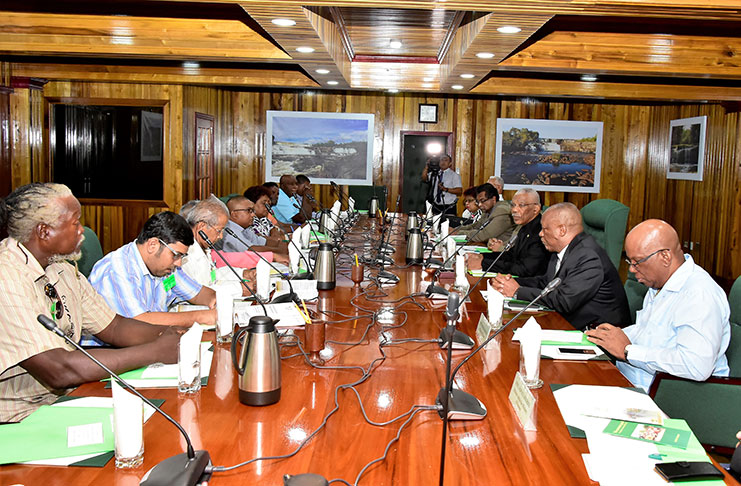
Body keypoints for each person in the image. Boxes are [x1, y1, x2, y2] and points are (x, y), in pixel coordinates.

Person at [0, 183, 181, 422]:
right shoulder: (7, 277)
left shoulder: (61, 268)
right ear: (44, 231)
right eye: (75, 223)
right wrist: (156, 351)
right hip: (16, 417)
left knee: (154, 418)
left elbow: (114, 327)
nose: (82, 232)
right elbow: (59, 369)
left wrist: (172, 334)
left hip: (61, 400)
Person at [585, 219, 730, 390]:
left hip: (666, 396)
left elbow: (696, 365)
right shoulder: (660, 284)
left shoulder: (699, 294)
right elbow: (651, 332)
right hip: (629, 379)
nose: (631, 269)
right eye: (629, 262)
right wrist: (609, 336)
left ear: (665, 256)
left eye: (637, 261)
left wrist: (627, 350)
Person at [493, 202, 630, 330]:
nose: (540, 233)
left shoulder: (588, 256)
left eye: (545, 229)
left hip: (595, 336)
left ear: (561, 230)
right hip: (568, 322)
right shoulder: (561, 250)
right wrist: (511, 282)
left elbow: (564, 301)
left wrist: (517, 291)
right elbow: (546, 283)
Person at [89, 211, 217, 326]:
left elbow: (197, 293)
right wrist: (200, 317)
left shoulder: (166, 267)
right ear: (153, 245)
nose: (179, 263)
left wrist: (218, 302)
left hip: (150, 341)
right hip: (112, 349)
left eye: (182, 257)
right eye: (176, 255)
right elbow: (138, 323)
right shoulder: (117, 270)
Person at [179, 196, 262, 295]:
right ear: (201, 227)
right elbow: (199, 292)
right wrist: (239, 289)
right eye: (219, 231)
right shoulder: (185, 254)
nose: (221, 236)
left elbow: (212, 276)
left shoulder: (203, 247)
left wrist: (243, 274)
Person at [466, 188, 549, 277]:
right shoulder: (525, 226)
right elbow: (511, 256)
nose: (514, 210)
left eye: (521, 205)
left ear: (536, 209)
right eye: (513, 205)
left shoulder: (542, 231)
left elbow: (525, 269)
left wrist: (484, 264)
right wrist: (481, 257)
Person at [222, 195, 289, 262]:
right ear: (234, 214)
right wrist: (280, 250)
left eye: (253, 211)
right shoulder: (229, 230)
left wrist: (284, 244)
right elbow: (251, 250)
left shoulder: (245, 228)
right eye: (249, 211)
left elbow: (263, 242)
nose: (253, 215)